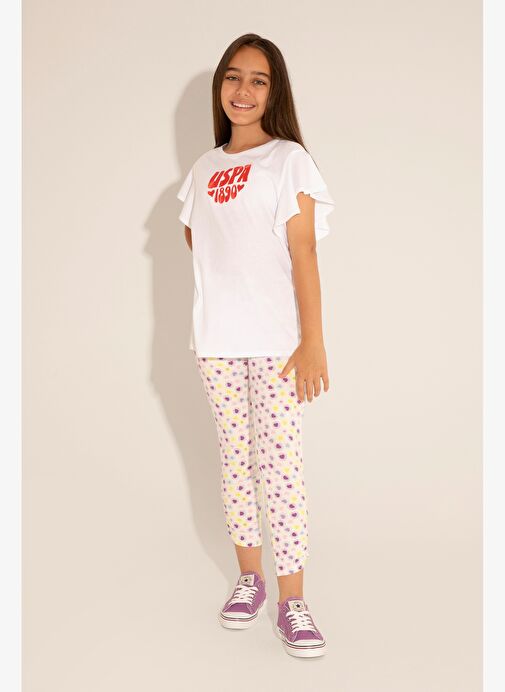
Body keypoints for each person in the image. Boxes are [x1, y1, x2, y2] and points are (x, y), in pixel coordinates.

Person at [176, 33, 335, 658]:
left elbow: (303, 250)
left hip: (275, 344)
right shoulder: (203, 169)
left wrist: (313, 340)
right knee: (235, 463)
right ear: (221, 86)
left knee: (281, 469)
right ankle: (250, 579)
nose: (243, 90)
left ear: (274, 92)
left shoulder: (288, 159)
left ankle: (293, 601)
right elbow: (200, 243)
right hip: (216, 343)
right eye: (234, 77)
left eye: (259, 80)